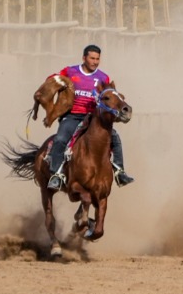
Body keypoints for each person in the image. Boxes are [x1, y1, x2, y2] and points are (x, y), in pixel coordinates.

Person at [46, 45, 134, 190]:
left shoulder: (103, 77)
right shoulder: (70, 71)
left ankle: (120, 172)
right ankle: (56, 175)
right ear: (84, 58)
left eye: (97, 59)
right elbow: (53, 79)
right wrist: (55, 82)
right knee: (61, 139)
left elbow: (110, 97)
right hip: (72, 115)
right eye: (92, 58)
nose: (95, 62)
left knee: (116, 139)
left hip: (93, 118)